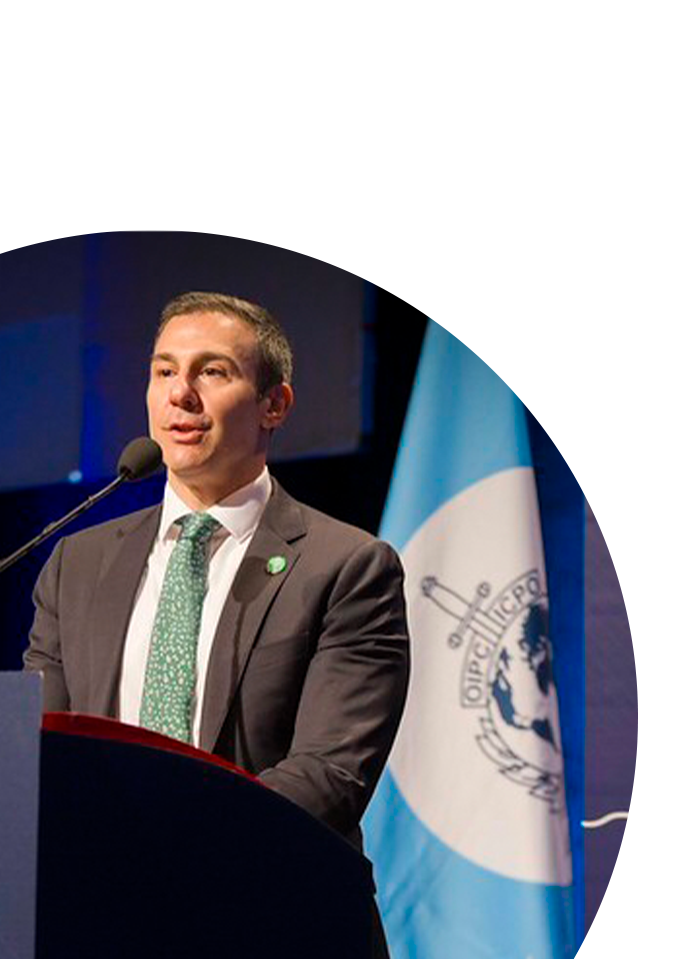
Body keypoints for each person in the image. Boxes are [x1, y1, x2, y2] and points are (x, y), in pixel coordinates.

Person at [24, 291, 410, 852]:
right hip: (101, 902)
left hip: (267, 905)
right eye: (164, 371)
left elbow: (329, 774)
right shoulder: (77, 566)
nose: (180, 394)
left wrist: (173, 846)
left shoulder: (346, 567)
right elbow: (41, 748)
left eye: (212, 371)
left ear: (273, 405)